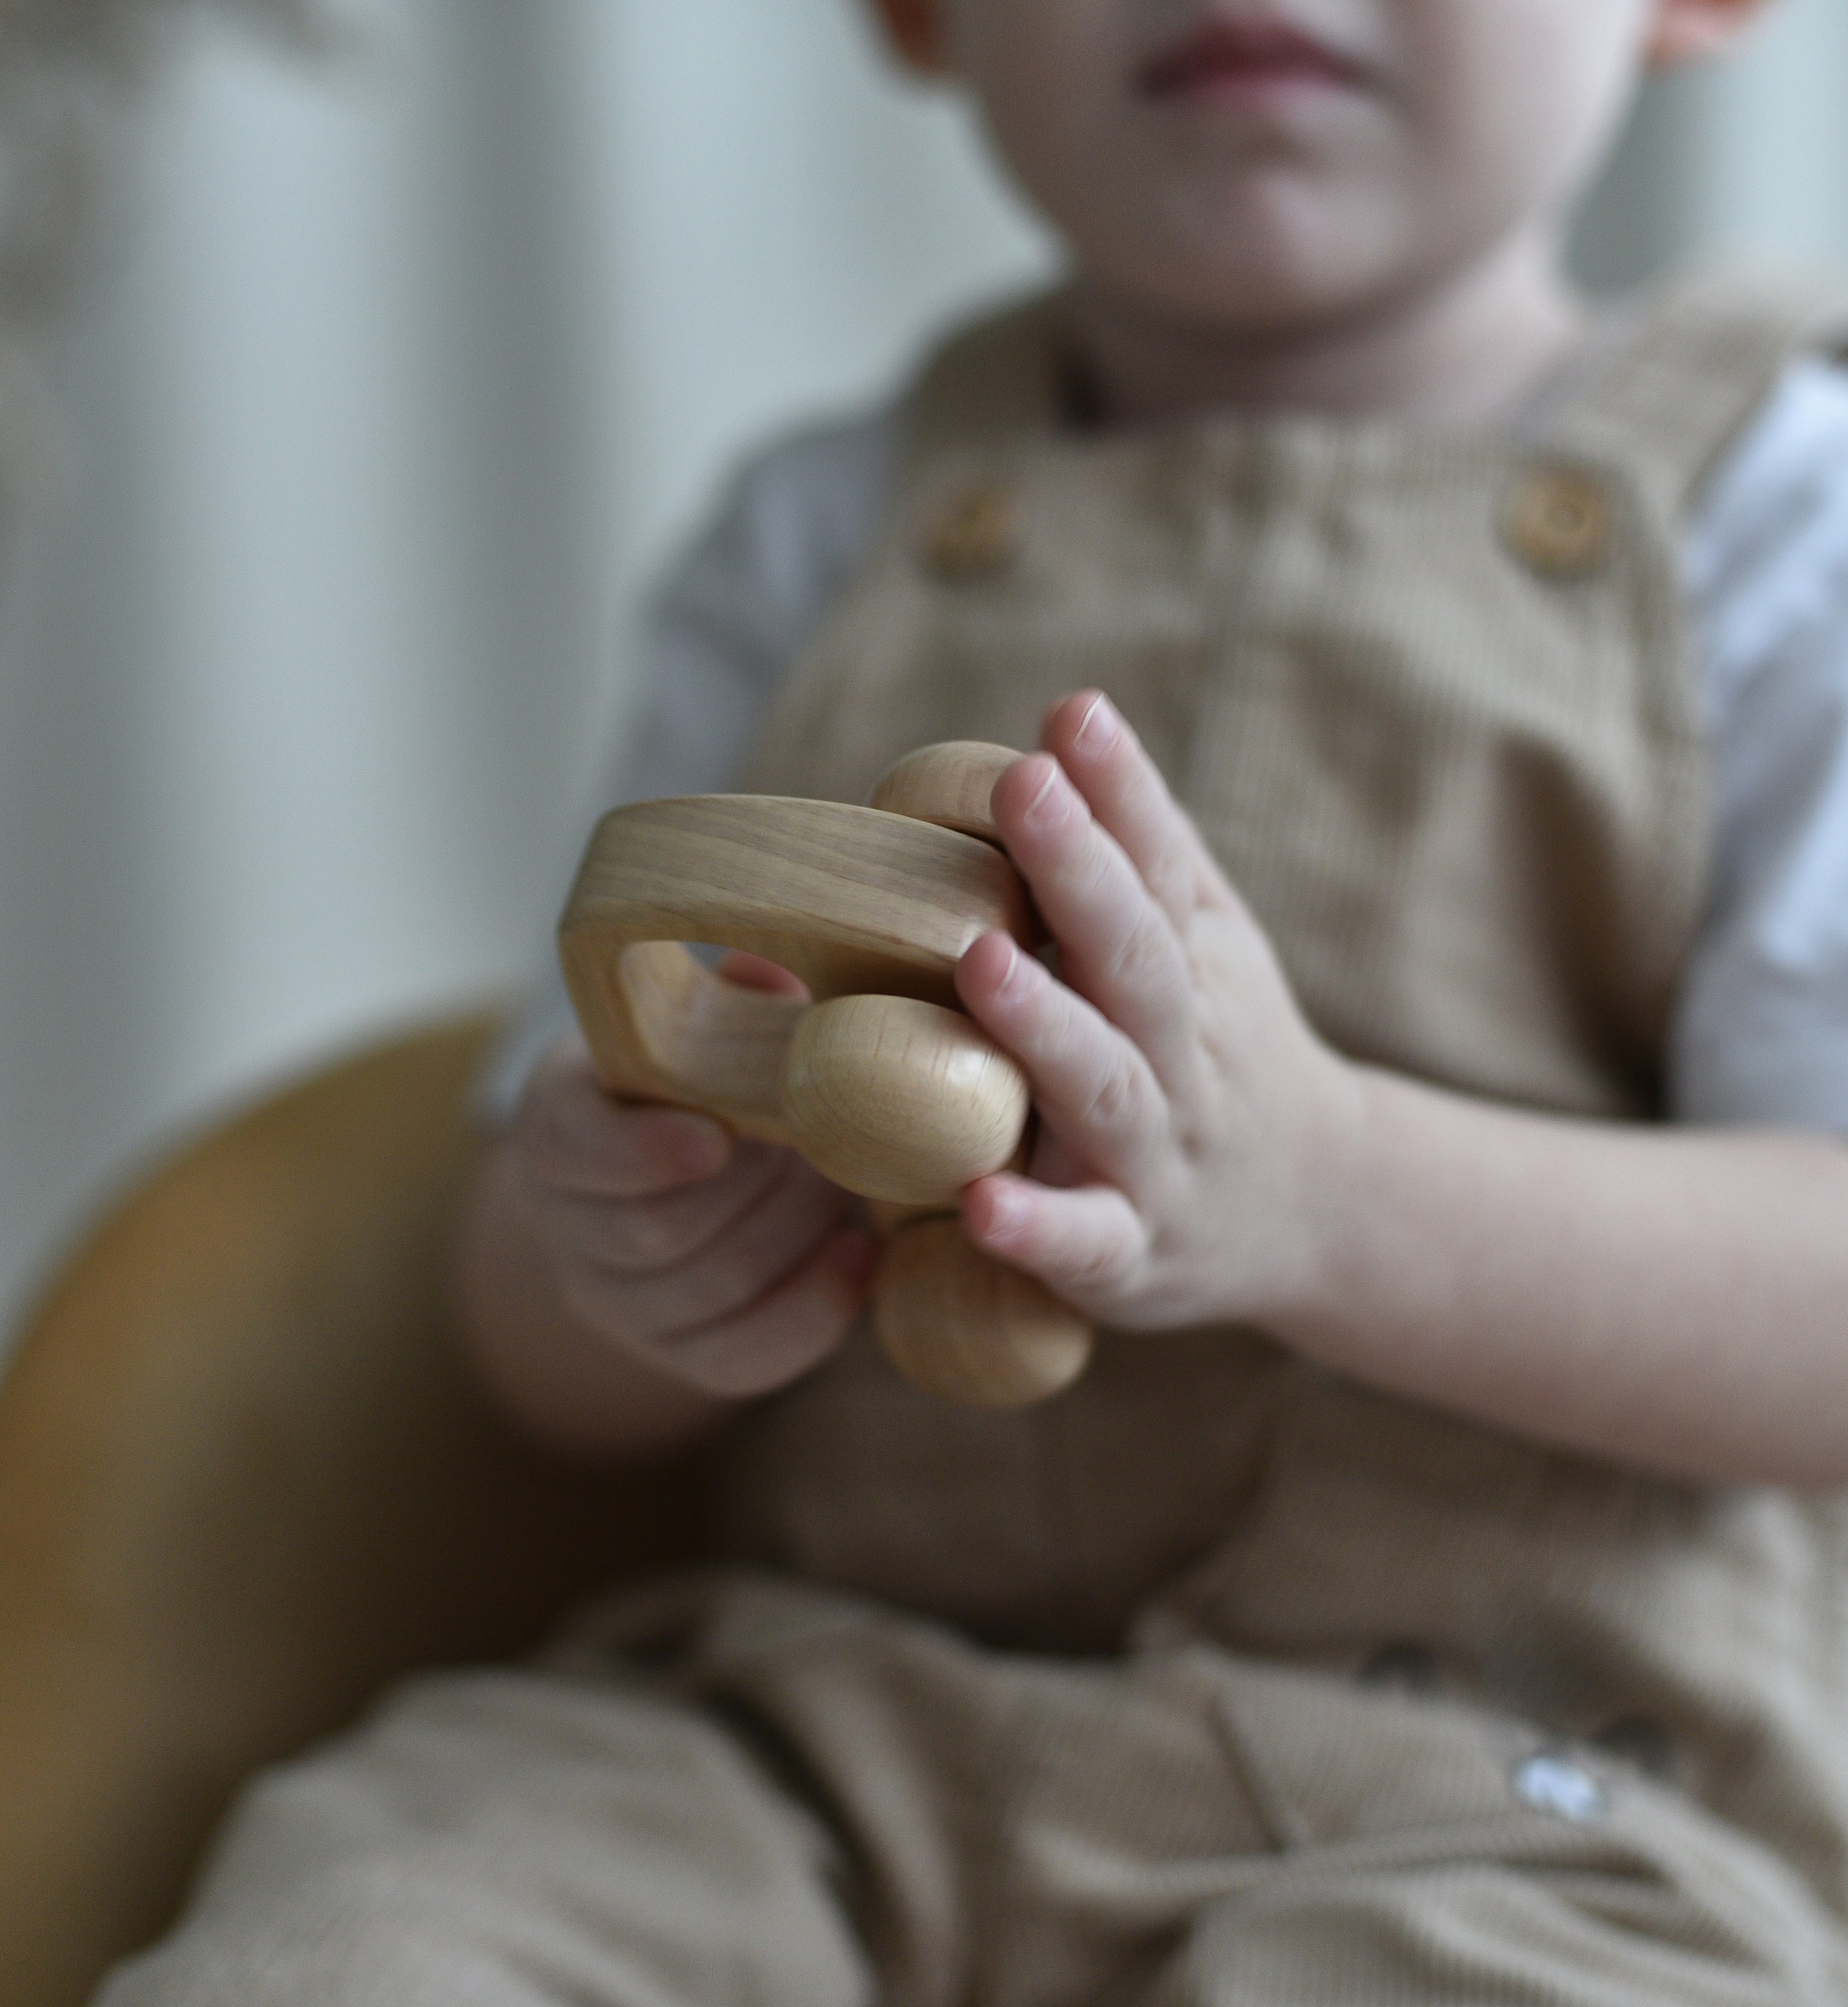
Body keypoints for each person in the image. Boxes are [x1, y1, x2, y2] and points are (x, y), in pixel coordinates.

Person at [102, 1, 1848, 1999]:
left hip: (1521, 1810)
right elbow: (525, 1325)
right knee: (363, 1934)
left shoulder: (1785, 526)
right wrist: (630, 1258)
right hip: (807, 1742)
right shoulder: (815, 539)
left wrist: (1327, 1190)